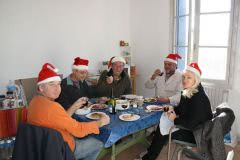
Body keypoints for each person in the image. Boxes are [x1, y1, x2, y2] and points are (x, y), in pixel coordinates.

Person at [27, 63, 110, 160]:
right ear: (41, 88)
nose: (57, 88)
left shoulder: (34, 102)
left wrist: (74, 106)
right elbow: (79, 130)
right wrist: (100, 122)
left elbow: (60, 119)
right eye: (51, 84)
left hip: (44, 148)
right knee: (99, 143)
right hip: (63, 149)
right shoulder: (52, 107)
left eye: (58, 84)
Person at [141, 62, 213, 160]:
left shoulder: (199, 97)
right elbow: (181, 109)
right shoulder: (189, 91)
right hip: (192, 127)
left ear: (196, 80)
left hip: (196, 134)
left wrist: (175, 119)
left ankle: (149, 156)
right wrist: (168, 109)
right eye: (184, 77)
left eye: (189, 78)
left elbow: (190, 124)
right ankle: (150, 153)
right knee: (162, 126)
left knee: (162, 131)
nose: (184, 80)